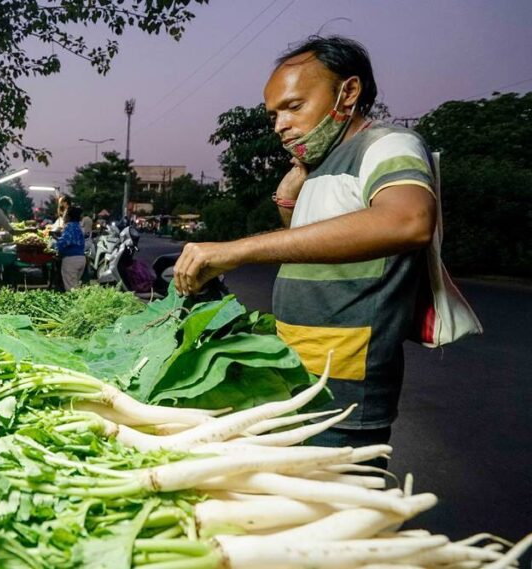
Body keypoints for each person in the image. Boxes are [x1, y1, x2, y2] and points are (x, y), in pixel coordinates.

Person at [173, 36, 438, 451]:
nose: (280, 125)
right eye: (274, 114)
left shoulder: (386, 144)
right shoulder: (321, 164)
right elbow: (311, 235)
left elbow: (408, 220)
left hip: (342, 390)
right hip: (299, 375)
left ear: (347, 92)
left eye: (294, 107)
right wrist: (289, 192)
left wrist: (236, 251)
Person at [54, 206, 86, 291]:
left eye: (65, 213)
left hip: (71, 260)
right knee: (75, 286)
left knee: (71, 290)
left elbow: (65, 241)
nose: (63, 215)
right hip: (81, 259)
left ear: (68, 216)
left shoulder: (69, 226)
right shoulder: (79, 226)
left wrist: (55, 245)